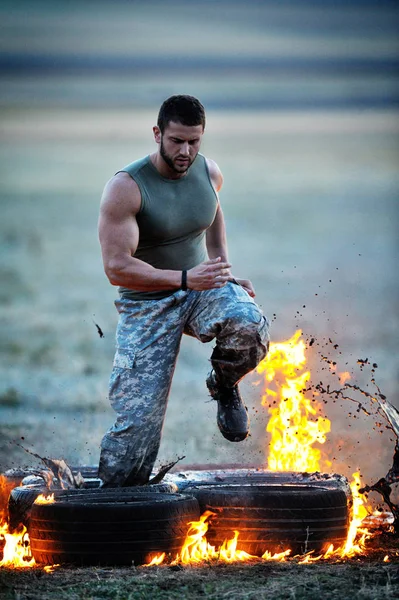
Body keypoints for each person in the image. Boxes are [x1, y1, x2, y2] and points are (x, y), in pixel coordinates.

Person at [98, 94, 270, 487]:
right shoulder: (127, 187)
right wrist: (184, 279)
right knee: (134, 439)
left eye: (194, 141)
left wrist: (222, 270)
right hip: (147, 304)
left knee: (249, 324)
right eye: (176, 140)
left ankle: (223, 386)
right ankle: (116, 513)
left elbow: (211, 212)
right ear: (158, 134)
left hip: (198, 287)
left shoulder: (208, 172)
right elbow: (116, 268)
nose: (186, 150)